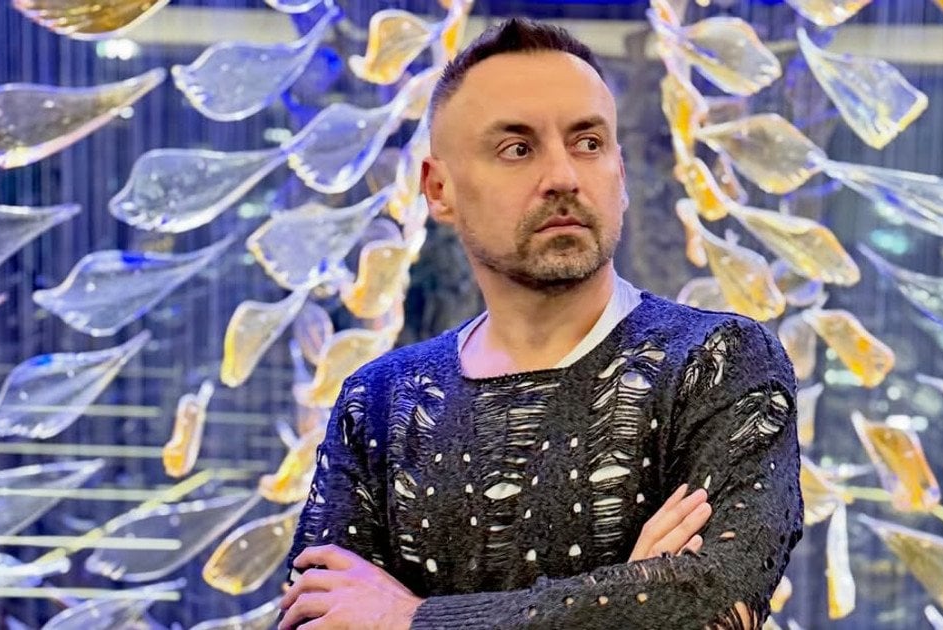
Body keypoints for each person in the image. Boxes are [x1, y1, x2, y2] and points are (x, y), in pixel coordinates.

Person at [278, 17, 802, 630]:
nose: (563, 177)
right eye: (518, 149)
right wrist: (626, 602)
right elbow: (317, 615)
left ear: (620, 172)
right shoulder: (380, 400)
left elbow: (713, 601)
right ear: (439, 189)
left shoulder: (716, 361)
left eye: (588, 143)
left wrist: (409, 618)